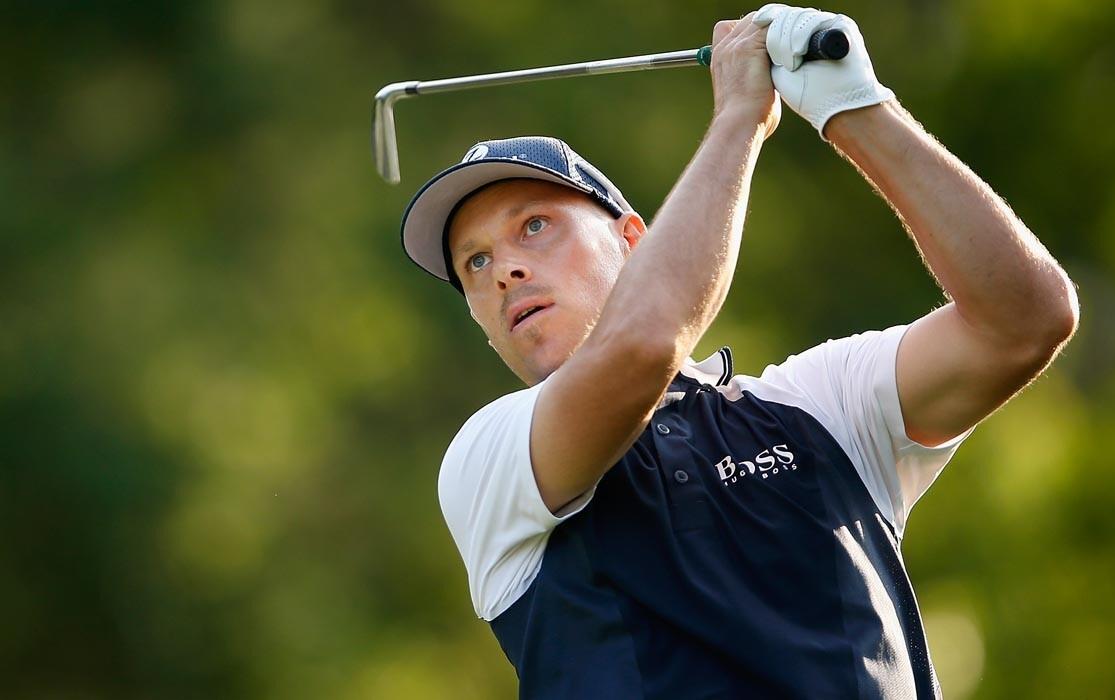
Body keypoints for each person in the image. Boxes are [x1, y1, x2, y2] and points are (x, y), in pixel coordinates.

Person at [400, 4, 1079, 698]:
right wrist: (739, 119)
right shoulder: (488, 457)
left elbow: (1024, 320)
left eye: (535, 226)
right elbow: (644, 346)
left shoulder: (817, 406)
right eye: (475, 264)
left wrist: (857, 109)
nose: (505, 270)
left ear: (635, 239)